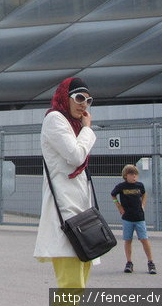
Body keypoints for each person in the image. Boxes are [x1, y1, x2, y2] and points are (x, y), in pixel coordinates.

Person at [34, 77, 96, 292]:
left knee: (81, 279)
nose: (83, 104)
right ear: (64, 97)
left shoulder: (73, 125)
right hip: (65, 211)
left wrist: (82, 129)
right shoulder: (55, 119)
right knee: (72, 284)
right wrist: (87, 129)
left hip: (82, 211)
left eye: (88, 100)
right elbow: (76, 155)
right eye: (79, 97)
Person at [110, 164, 156, 274]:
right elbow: (113, 195)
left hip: (139, 218)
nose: (134, 176)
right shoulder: (121, 186)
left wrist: (143, 204)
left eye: (136, 174)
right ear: (126, 176)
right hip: (127, 218)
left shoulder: (140, 186)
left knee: (144, 239)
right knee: (128, 240)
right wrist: (119, 207)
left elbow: (144, 194)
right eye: (131, 174)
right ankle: (129, 262)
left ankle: (150, 262)